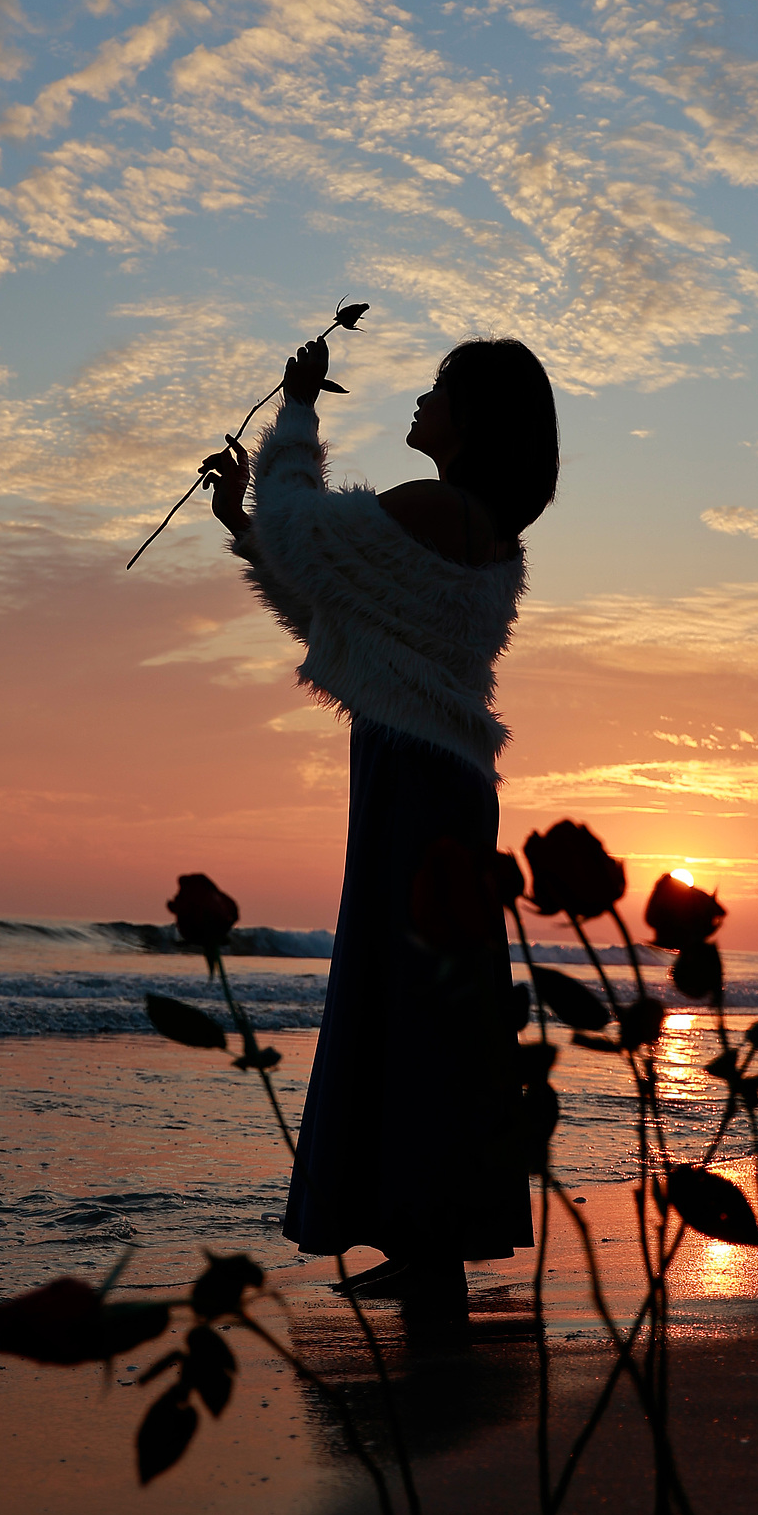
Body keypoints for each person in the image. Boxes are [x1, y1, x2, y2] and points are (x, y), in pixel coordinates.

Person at [203, 334, 559, 1314]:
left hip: (413, 783)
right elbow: (333, 609)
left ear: (471, 420)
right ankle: (427, 1240)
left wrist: (299, 407)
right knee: (424, 1006)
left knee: (403, 998)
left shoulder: (432, 509)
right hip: (435, 780)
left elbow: (304, 534)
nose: (420, 397)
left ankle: (425, 1237)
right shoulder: (473, 526)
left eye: (440, 389)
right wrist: (243, 524)